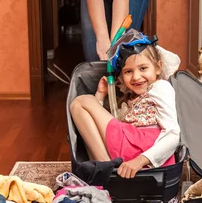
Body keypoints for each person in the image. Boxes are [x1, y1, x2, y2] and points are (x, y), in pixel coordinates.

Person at [70, 31, 181, 178]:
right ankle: (106, 167)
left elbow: (173, 133)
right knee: (81, 106)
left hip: (143, 150)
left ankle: (104, 167)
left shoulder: (161, 87)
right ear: (121, 76)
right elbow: (92, 124)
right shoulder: (131, 98)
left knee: (80, 101)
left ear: (158, 67)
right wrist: (100, 95)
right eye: (128, 71)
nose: (136, 76)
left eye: (143, 68)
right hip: (128, 150)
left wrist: (140, 160)